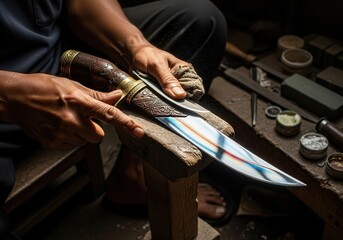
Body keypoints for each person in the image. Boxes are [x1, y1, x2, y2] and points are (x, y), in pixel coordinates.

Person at [0, 0, 230, 239]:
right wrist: (9, 94)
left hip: (58, 56)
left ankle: (132, 177)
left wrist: (136, 46)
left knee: (200, 19)